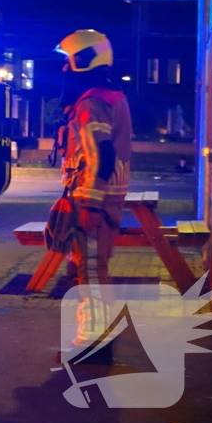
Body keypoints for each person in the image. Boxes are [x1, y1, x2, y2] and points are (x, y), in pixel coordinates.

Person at [49, 30, 132, 365]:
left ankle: (93, 345)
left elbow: (101, 154)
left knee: (93, 274)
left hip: (93, 201)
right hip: (100, 198)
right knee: (89, 270)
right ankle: (95, 340)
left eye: (68, 62)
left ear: (82, 60)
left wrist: (90, 204)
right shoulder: (109, 97)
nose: (64, 70)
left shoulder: (92, 102)